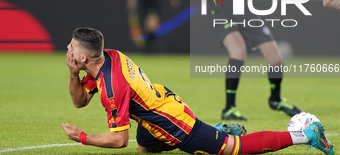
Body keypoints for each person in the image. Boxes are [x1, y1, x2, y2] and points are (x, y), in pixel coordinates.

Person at [61, 27, 335, 155]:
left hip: (174, 123)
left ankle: (305, 135)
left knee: (234, 149)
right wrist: (74, 73)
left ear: (86, 57)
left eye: (72, 48)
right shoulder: (107, 57)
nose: (69, 50)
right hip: (158, 107)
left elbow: (118, 140)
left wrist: (83, 137)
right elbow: (80, 101)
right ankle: (217, 128)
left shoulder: (112, 85)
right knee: (145, 149)